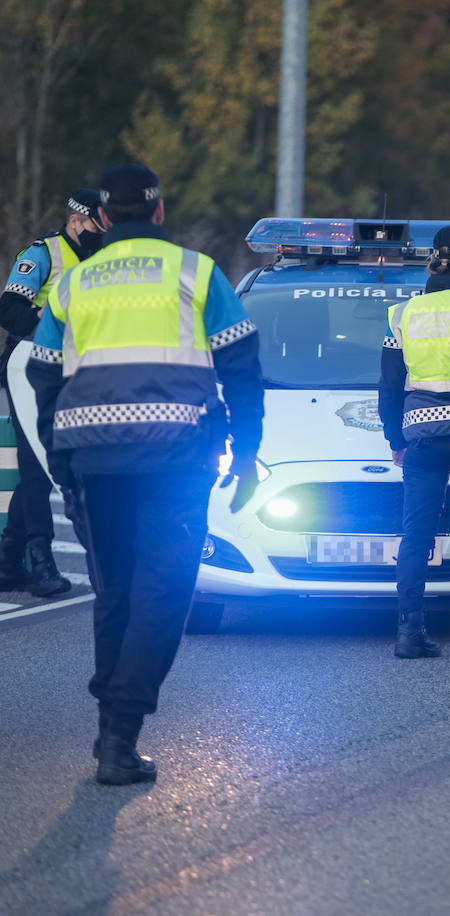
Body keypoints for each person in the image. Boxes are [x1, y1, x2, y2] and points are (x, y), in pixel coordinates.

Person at [27, 163, 264, 786]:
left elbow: (43, 375)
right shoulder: (197, 273)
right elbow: (242, 368)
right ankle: (119, 735)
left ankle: (113, 733)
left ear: (104, 217)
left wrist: (61, 460)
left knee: (116, 593)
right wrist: (246, 456)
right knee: (162, 596)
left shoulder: (73, 284)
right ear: (159, 212)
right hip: (175, 459)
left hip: (92, 462)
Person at [378, 226, 450, 660]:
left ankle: (409, 633)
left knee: (416, 533)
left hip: (420, 433)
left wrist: (394, 437)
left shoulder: (403, 314)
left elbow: (389, 384)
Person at [0, 188, 109, 595]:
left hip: (76, 370)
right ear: (77, 220)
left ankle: (9, 561)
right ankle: (41, 561)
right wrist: (44, 318)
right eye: (97, 226)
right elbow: (8, 311)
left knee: (49, 461)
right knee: (37, 463)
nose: (102, 234)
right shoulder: (43, 253)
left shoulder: (101, 260)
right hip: (29, 364)